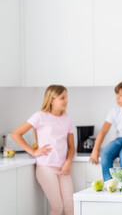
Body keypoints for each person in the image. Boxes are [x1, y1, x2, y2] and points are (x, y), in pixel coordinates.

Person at [11, 85, 75, 215]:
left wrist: (68, 162)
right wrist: (33, 151)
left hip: (63, 169)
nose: (66, 100)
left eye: (66, 97)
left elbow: (72, 147)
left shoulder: (67, 119)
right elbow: (16, 134)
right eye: (62, 97)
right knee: (57, 208)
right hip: (46, 169)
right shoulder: (40, 116)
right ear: (52, 100)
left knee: (70, 207)